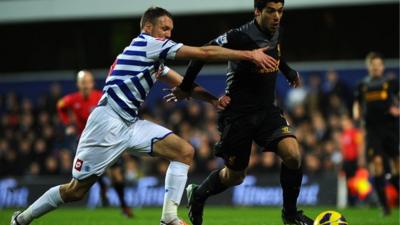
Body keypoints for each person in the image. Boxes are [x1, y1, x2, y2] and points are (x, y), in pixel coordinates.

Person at [10, 6, 277, 225]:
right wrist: (249, 54)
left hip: (129, 124)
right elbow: (203, 52)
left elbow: (181, 83)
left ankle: (169, 218)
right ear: (148, 28)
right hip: (107, 123)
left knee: (184, 151)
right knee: (75, 191)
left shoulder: (152, 57)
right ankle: (22, 219)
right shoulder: (146, 44)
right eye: (165, 28)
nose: (169, 34)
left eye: (171, 30)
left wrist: (212, 99)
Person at [166, 0, 314, 224]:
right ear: (257, 11)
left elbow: (275, 53)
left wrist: (287, 70)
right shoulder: (239, 36)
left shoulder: (277, 30)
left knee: (293, 155)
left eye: (280, 11)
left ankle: (290, 215)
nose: (277, 16)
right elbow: (201, 54)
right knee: (235, 176)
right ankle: (198, 194)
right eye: (271, 11)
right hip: (238, 115)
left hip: (267, 111)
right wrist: (186, 87)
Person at [57, 70, 134, 218]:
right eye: (82, 82)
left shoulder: (100, 97)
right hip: (85, 142)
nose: (85, 85)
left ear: (92, 83)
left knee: (116, 176)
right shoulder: (73, 99)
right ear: (78, 84)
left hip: (106, 141)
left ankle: (124, 205)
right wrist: (68, 124)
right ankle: (102, 185)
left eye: (88, 82)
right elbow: (60, 106)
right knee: (88, 172)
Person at [353, 52, 399, 215]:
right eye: (373, 65)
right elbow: (357, 103)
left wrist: (398, 109)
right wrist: (356, 114)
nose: (376, 68)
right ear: (369, 67)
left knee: (396, 167)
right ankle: (384, 206)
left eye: (378, 65)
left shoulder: (391, 82)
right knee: (377, 163)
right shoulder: (362, 85)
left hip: (391, 128)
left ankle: (394, 183)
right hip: (372, 130)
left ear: (383, 67)